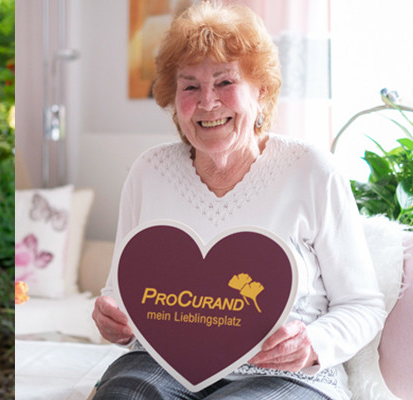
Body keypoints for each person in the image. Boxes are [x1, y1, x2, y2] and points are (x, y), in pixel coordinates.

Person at [90, 3, 384, 399]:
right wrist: (113, 320)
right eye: (190, 86)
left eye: (225, 83)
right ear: (174, 99)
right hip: (160, 365)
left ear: (260, 91)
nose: (208, 102)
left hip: (282, 375)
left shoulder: (311, 170)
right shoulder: (150, 172)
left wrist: (313, 342)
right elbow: (121, 294)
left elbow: (363, 305)